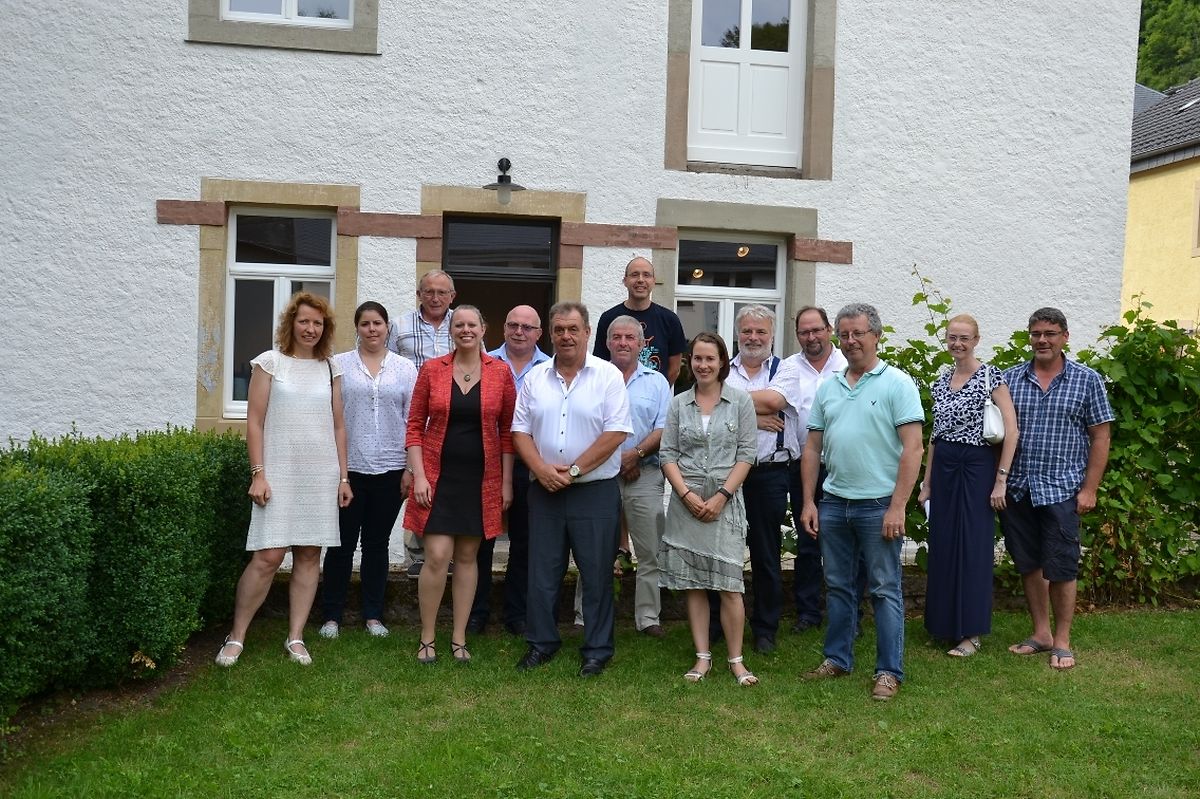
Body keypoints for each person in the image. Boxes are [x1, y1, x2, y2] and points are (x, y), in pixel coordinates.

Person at [215, 292, 353, 668]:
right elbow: (254, 422)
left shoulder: (331, 368)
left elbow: (339, 426)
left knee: (309, 555)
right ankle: (236, 635)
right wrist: (258, 473)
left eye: (318, 323)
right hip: (278, 471)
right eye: (304, 321)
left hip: (320, 473)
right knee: (268, 556)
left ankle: (295, 636)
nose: (310, 329)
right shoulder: (270, 363)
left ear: (325, 328)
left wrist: (343, 477)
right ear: (291, 323)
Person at [799, 303, 924, 701]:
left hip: (878, 506)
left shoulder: (897, 384)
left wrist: (898, 506)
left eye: (858, 333)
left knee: (885, 589)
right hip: (834, 503)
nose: (850, 341)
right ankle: (837, 659)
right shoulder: (829, 387)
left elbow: (913, 448)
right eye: (844, 334)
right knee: (837, 587)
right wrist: (809, 501)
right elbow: (812, 448)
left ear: (876, 336)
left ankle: (888, 671)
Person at [512, 302, 632, 678]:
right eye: (559, 329)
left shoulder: (608, 376)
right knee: (542, 573)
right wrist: (540, 469)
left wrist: (575, 470)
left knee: (596, 574)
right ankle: (541, 643)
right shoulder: (535, 378)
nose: (566, 336)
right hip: (544, 490)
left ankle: (597, 650)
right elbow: (520, 431)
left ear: (587, 333)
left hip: (594, 491)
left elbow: (616, 432)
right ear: (550, 334)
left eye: (573, 329)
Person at [999, 307, 1113, 671]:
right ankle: (1042, 633)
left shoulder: (1087, 380)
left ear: (1065, 337)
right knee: (1029, 564)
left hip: (1063, 489)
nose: (1042, 340)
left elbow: (1100, 437)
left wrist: (1090, 489)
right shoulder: (1010, 379)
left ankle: (1062, 640)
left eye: (1050, 333)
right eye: (1036, 334)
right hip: (1019, 488)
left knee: (1062, 566)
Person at [404, 305, 516, 664]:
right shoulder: (431, 369)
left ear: (484, 329)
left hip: (481, 481)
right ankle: (427, 636)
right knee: (437, 556)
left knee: (468, 557)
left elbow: (508, 433)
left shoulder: (501, 372)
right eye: (459, 325)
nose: (466, 330)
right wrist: (419, 475)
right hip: (437, 479)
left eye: (472, 325)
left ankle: (459, 637)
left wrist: (506, 483)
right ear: (451, 331)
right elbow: (414, 427)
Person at [916, 314, 1019, 657]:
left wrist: (1001, 480)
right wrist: (927, 483)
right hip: (944, 468)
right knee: (943, 544)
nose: (957, 343)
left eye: (964, 338)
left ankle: (970, 632)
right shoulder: (941, 381)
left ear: (976, 340)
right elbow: (935, 436)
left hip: (977, 468)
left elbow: (1012, 431)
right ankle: (943, 625)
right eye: (952, 337)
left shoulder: (991, 377)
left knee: (972, 547)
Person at [660, 332, 758, 685]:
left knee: (730, 585)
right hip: (686, 503)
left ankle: (736, 661)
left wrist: (721, 496)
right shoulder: (678, 403)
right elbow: (667, 454)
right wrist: (685, 494)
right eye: (698, 358)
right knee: (694, 584)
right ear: (690, 361)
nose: (703, 365)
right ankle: (702, 658)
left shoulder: (740, 402)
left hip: (725, 502)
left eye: (710, 359)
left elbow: (747, 453)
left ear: (722, 363)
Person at [319, 301, 418, 640]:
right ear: (357, 328)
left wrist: (410, 468)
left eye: (378, 323)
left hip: (392, 469)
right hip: (350, 470)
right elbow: (332, 417)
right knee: (341, 544)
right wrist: (341, 474)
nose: (372, 329)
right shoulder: (339, 365)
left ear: (387, 327)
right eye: (365, 323)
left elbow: (414, 420)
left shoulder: (405, 368)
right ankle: (332, 615)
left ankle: (373, 615)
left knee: (376, 544)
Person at [752, 306, 849, 632]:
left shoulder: (847, 364)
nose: (811, 337)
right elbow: (769, 401)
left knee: (846, 542)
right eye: (804, 332)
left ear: (829, 330)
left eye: (817, 330)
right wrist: (753, 417)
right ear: (797, 335)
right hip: (803, 466)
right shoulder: (789, 367)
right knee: (808, 540)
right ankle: (808, 612)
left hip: (843, 465)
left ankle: (849, 614)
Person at [468, 304, 550, 636]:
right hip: (487, 464)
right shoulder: (483, 363)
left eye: (527, 327)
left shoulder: (549, 369)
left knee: (525, 541)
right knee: (481, 540)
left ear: (538, 334)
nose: (519, 332)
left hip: (530, 465)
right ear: (503, 328)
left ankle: (517, 613)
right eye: (513, 325)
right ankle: (476, 611)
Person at [723, 305, 798, 655]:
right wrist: (754, 416)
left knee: (766, 554)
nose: (753, 338)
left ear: (772, 334)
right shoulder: (723, 369)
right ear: (738, 333)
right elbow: (709, 408)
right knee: (723, 551)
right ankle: (718, 623)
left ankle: (765, 628)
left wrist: (730, 404)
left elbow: (775, 399)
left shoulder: (787, 369)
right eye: (747, 331)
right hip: (726, 474)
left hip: (770, 473)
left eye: (760, 331)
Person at [600, 316, 673, 637]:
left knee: (649, 550)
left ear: (641, 345)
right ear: (607, 342)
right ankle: (586, 616)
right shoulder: (594, 377)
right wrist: (617, 458)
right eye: (617, 337)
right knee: (594, 548)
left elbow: (664, 427)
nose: (623, 342)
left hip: (645, 473)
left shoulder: (657, 382)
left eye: (630, 337)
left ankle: (648, 618)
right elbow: (588, 424)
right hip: (601, 474)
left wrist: (636, 454)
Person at [388, 269, 458, 579]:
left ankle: (446, 553)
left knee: (448, 486)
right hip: (412, 419)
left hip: (452, 421)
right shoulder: (399, 326)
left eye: (442, 292)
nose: (435, 297)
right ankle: (416, 555)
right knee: (416, 483)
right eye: (429, 291)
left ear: (452, 296)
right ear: (419, 294)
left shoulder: (462, 323)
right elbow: (385, 365)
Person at [593, 256, 687, 384]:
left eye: (646, 275)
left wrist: (657, 391)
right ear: (625, 281)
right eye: (634, 275)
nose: (640, 280)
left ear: (654, 281)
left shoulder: (670, 320)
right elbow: (600, 363)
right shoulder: (608, 319)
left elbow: (674, 369)